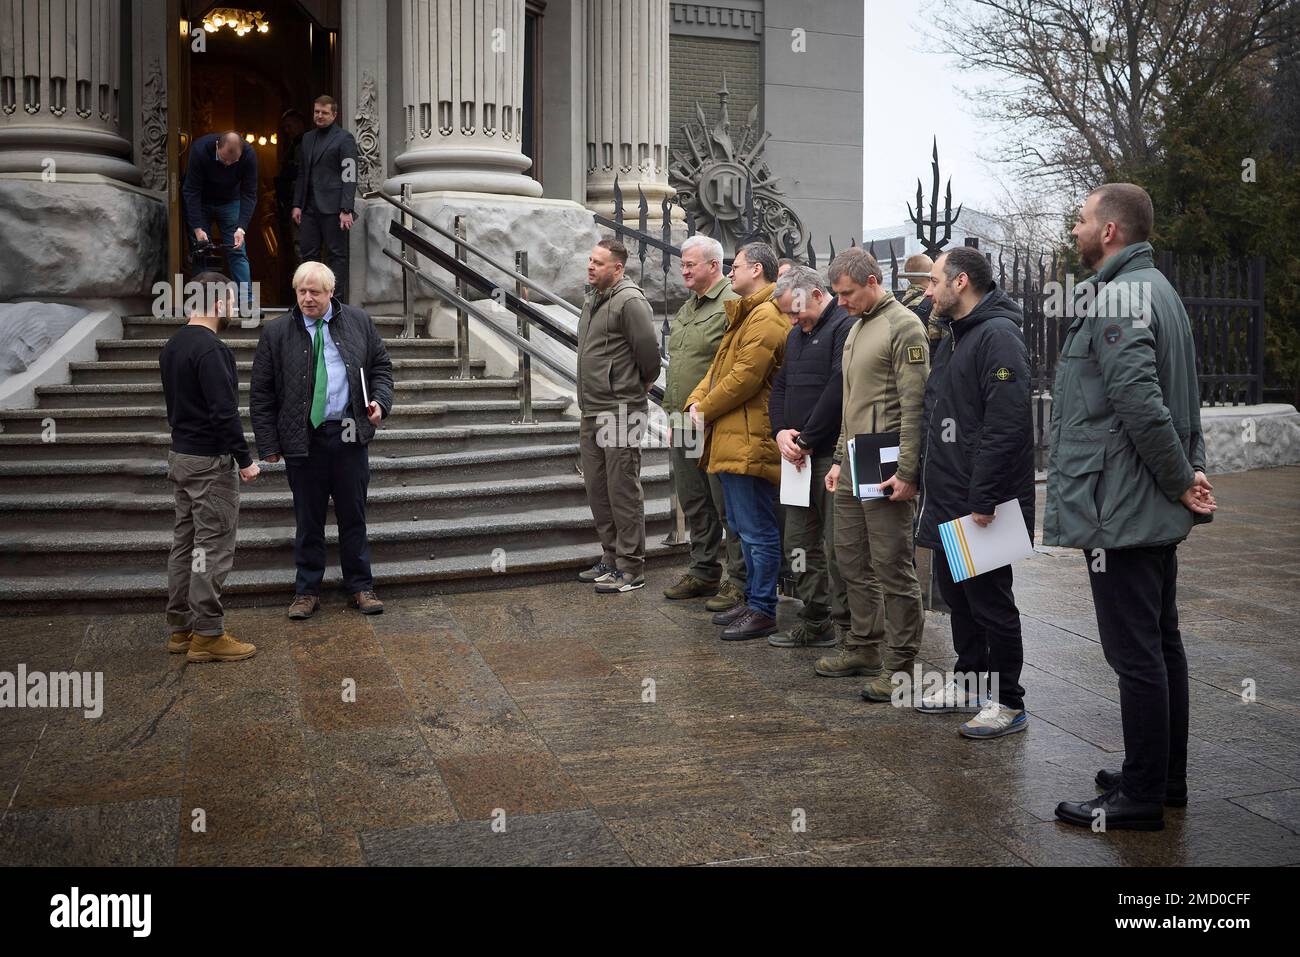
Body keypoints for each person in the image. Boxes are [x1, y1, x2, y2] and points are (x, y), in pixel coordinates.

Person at [1049, 183, 1215, 831]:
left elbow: (1142, 402)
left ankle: (1141, 793)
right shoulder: (1158, 289)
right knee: (1161, 642)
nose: (1074, 229)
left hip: (1120, 506)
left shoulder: (1119, 295)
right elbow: (1175, 399)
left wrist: (1180, 479)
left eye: (1082, 220)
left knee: (1135, 654)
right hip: (1140, 501)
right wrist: (1185, 476)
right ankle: (1162, 776)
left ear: (1110, 231)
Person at [915, 246, 1034, 737]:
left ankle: (1009, 702)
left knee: (990, 603)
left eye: (934, 282)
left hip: (981, 501)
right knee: (959, 600)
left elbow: (1004, 427)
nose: (927, 291)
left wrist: (983, 499)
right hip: (947, 495)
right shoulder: (956, 335)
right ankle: (969, 682)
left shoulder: (998, 337)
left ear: (961, 282)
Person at [250, 261, 394, 619]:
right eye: (301, 291)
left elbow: (381, 368)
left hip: (348, 434)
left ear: (331, 292)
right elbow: (261, 392)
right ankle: (306, 591)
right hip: (304, 440)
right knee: (308, 519)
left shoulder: (358, 322)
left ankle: (361, 587)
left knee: (353, 516)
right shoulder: (277, 332)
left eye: (314, 292)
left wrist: (380, 402)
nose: (307, 298)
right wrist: (268, 444)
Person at [817, 248, 929, 701]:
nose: (840, 302)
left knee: (892, 565)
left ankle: (900, 665)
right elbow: (851, 401)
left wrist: (907, 471)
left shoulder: (903, 326)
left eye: (846, 293)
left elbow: (915, 406)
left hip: (885, 463)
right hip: (855, 459)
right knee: (849, 559)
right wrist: (841, 458)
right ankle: (863, 645)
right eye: (837, 295)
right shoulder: (858, 325)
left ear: (871, 280)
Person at [685, 242, 788, 640]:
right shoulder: (747, 313)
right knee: (744, 527)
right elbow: (717, 367)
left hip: (749, 437)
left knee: (757, 528)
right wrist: (697, 398)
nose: (730, 273)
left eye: (737, 266)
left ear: (758, 270)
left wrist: (705, 409)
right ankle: (751, 598)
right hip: (732, 436)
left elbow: (745, 377)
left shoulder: (766, 315)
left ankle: (763, 607)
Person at [160, 272, 260, 663]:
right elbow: (223, 413)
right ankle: (208, 635)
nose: (234, 307)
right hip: (208, 462)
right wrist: (245, 460)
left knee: (185, 544)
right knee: (213, 547)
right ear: (218, 303)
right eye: (232, 300)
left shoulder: (173, 345)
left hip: (181, 456)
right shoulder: (212, 349)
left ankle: (181, 628)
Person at [767, 264, 853, 648]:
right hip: (797, 457)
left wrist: (806, 441)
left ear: (818, 294)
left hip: (828, 457)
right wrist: (780, 432)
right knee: (798, 544)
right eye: (788, 312)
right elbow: (781, 387)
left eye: (796, 309)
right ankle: (815, 617)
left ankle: (849, 627)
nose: (793, 318)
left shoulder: (843, 328)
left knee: (837, 549)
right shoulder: (796, 334)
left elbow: (838, 390)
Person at [661, 235, 748, 608]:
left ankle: (740, 580)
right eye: (682, 264)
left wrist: (708, 412)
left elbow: (734, 368)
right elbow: (681, 362)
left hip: (716, 423)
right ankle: (703, 570)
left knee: (728, 505)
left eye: (690, 264)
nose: (684, 270)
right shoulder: (688, 307)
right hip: (684, 423)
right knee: (694, 500)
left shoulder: (732, 303)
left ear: (714, 265)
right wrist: (673, 417)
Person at [575, 239, 662, 594]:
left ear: (618, 268)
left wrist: (631, 387)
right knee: (598, 489)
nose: (591, 267)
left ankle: (631, 566)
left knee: (622, 489)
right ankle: (610, 557)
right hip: (592, 409)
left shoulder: (630, 301)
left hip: (621, 411)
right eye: (590, 260)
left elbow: (650, 359)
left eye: (599, 263)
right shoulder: (593, 297)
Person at [293, 95, 359, 303]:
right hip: (309, 208)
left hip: (334, 208)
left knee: (336, 255)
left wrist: (346, 208)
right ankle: (307, 298)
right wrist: (297, 204)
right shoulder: (307, 138)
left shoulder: (344, 138)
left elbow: (349, 175)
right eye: (316, 112)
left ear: (334, 114)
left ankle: (336, 301)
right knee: (308, 254)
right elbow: (302, 173)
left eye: (324, 112)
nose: (319, 116)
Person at [182, 131, 258, 310]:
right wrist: (197, 228)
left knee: (238, 251)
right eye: (225, 160)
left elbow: (249, 193)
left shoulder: (249, 155)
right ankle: (201, 303)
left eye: (234, 162)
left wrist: (241, 228)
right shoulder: (200, 149)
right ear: (217, 146)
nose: (228, 165)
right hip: (202, 201)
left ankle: (247, 302)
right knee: (201, 251)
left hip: (231, 202)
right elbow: (191, 190)